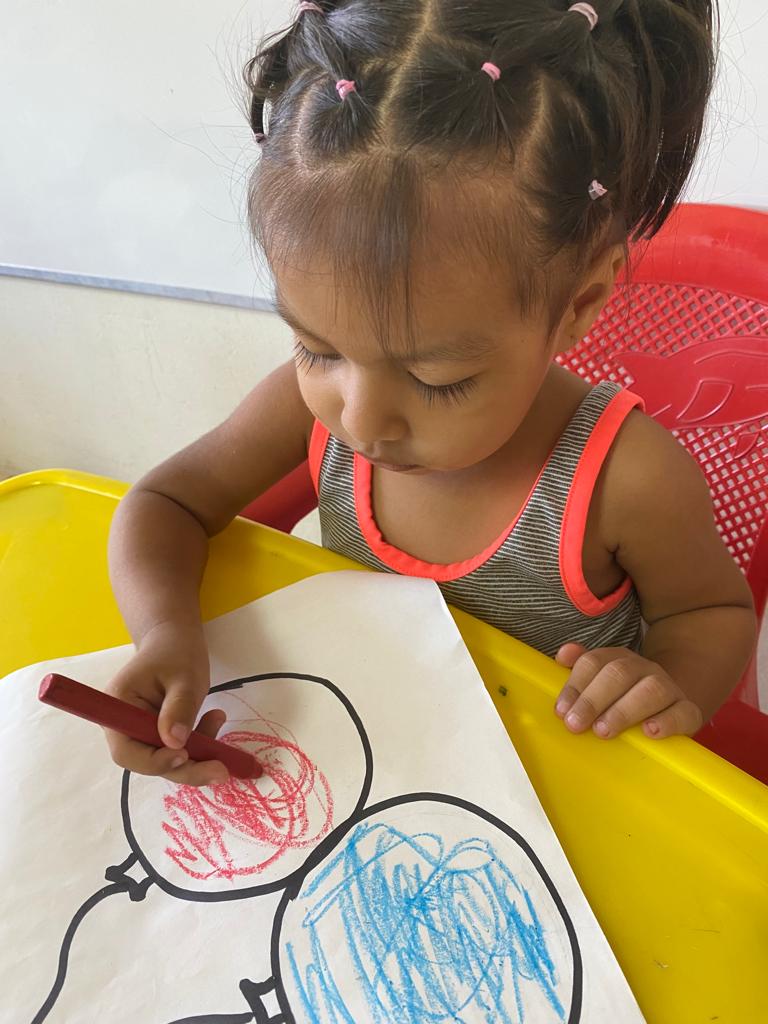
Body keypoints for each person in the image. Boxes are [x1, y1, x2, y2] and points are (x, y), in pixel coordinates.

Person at [106, 0, 755, 786]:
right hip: (367, 756)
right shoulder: (303, 408)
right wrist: (164, 633)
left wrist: (665, 682)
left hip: (549, 792)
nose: (362, 419)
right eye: (317, 348)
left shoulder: (626, 478)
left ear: (580, 304)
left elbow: (710, 614)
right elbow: (165, 503)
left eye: (434, 380)